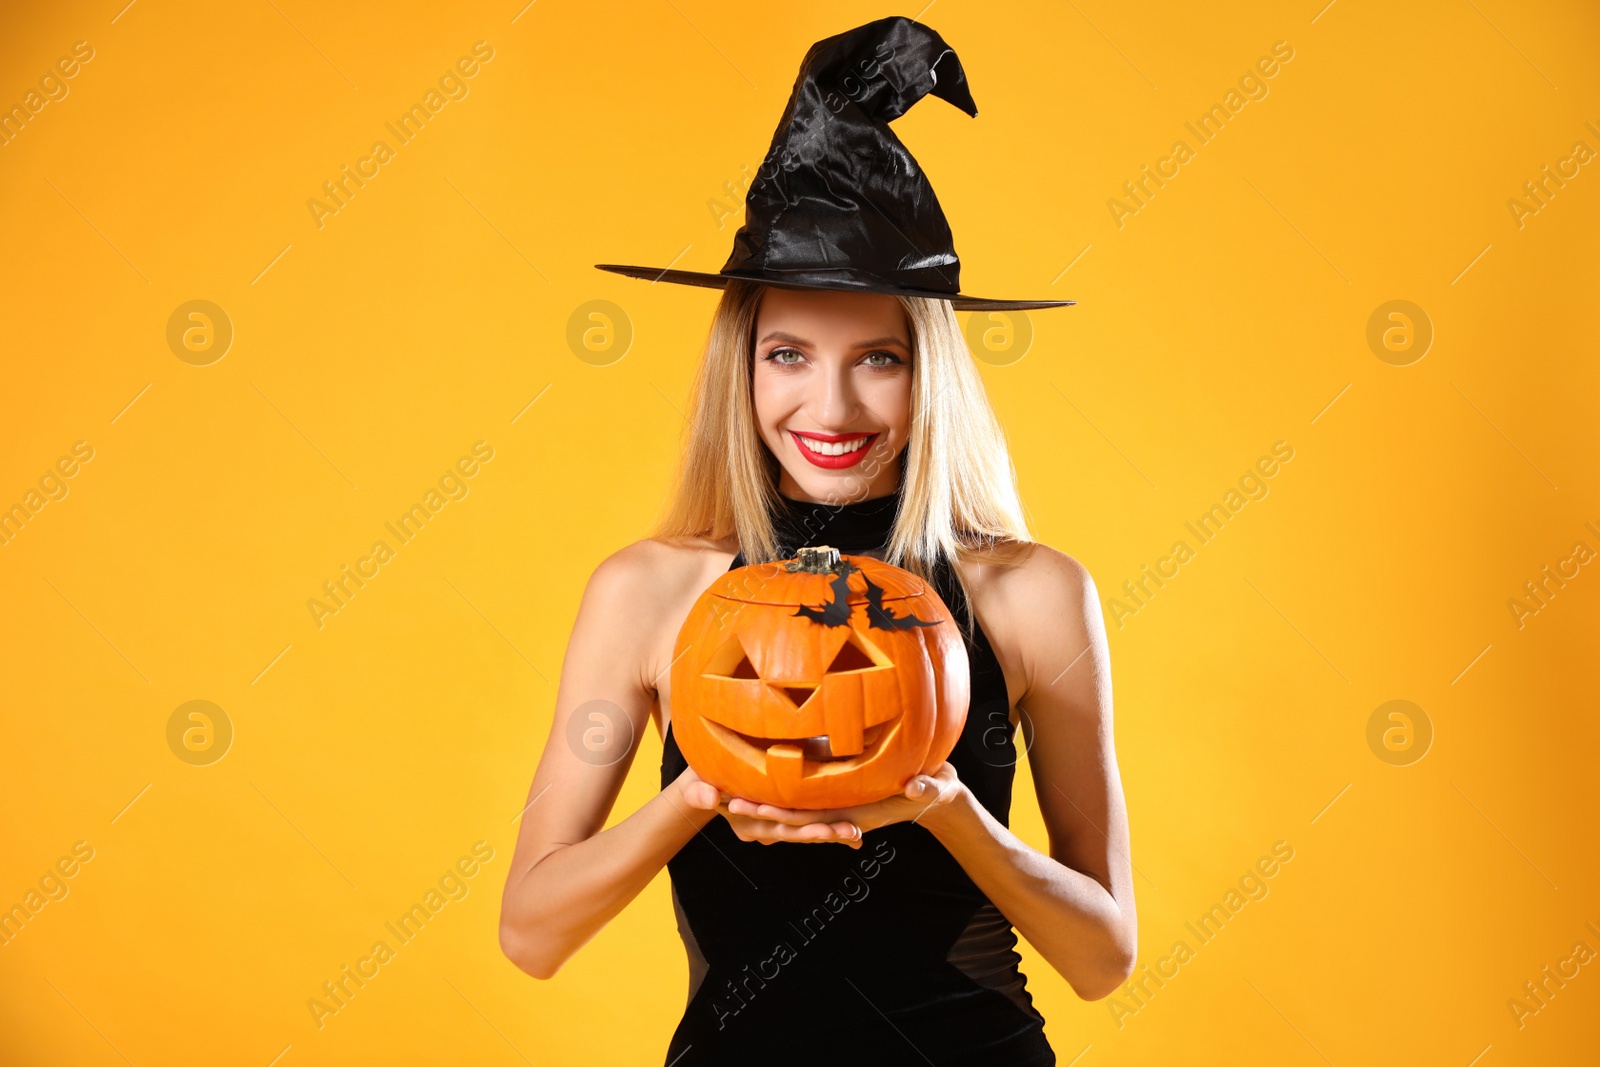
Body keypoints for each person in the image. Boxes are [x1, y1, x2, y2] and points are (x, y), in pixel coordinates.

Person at [499, 16, 1134, 1065]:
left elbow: (1103, 954)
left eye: (877, 358)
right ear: (741, 367)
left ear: (927, 373)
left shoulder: (1030, 595)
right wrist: (700, 793)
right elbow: (532, 928)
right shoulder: (652, 593)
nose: (829, 404)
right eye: (788, 352)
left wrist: (944, 809)